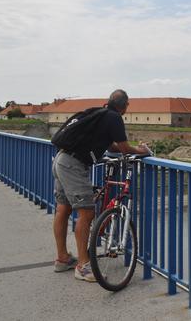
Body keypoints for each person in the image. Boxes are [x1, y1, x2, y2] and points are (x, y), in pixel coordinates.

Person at [52, 89, 150, 282]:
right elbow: (123, 148)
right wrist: (142, 150)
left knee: (63, 208)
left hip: (61, 159)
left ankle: (63, 258)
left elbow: (111, 146)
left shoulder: (99, 113)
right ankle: (83, 266)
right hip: (74, 165)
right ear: (125, 106)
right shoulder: (114, 118)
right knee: (86, 213)